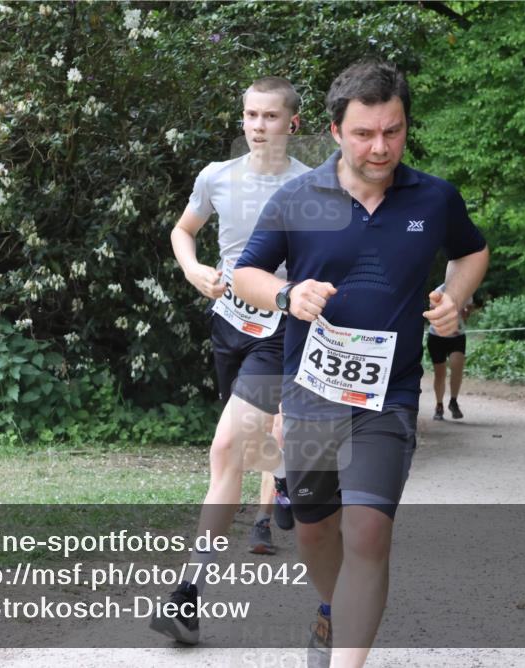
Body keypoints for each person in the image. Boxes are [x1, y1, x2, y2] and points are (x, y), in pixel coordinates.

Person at [234, 61, 489, 668]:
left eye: (393, 132)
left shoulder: (433, 197)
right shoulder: (300, 198)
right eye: (364, 134)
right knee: (318, 531)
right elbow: (246, 273)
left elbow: (473, 251)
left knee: (369, 532)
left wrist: (454, 299)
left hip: (388, 396)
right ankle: (333, 611)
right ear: (334, 131)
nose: (380, 147)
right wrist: (287, 296)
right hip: (312, 394)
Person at [150, 76, 310, 645]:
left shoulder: (311, 186)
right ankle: (287, 475)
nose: (257, 126)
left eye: (270, 116)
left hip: (282, 330)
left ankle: (187, 596)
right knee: (249, 443)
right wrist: (192, 269)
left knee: (225, 450)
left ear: (292, 123)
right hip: (228, 326)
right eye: (249, 115)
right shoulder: (216, 177)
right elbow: (182, 230)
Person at [427, 279, 475, 420]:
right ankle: (439, 405)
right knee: (440, 373)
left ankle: (453, 402)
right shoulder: (438, 292)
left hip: (457, 336)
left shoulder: (466, 291)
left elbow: (466, 316)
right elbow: (432, 313)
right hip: (437, 336)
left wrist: (467, 311)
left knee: (457, 367)